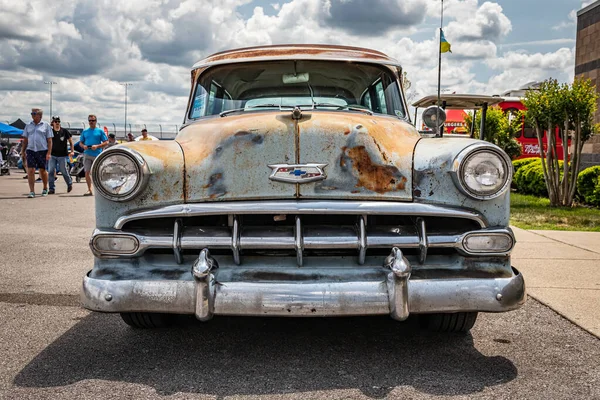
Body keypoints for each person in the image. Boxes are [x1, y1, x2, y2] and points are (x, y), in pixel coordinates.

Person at [21, 108, 53, 198]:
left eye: (34, 113)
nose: (32, 115)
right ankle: (32, 191)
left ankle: (45, 188)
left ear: (40, 115)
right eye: (31, 113)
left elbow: (49, 140)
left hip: (42, 150)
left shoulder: (46, 125)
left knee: (42, 170)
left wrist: (49, 153)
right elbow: (25, 139)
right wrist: (23, 151)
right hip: (31, 150)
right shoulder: (28, 125)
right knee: (30, 170)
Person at [79, 114, 108, 196]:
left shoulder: (100, 131)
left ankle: (100, 189)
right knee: (87, 172)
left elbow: (106, 142)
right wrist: (83, 146)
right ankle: (89, 190)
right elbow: (81, 142)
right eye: (90, 121)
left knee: (97, 172)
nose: (91, 122)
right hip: (87, 154)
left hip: (97, 154)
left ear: (96, 121)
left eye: (93, 120)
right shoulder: (85, 131)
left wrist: (97, 146)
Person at [48, 116, 74, 194]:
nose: (57, 123)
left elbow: (71, 142)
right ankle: (51, 188)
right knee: (51, 171)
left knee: (63, 170)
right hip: (52, 154)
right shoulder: (50, 132)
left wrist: (72, 151)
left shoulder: (64, 131)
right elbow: (47, 142)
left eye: (58, 122)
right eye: (55, 122)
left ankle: (69, 183)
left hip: (62, 155)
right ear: (53, 123)